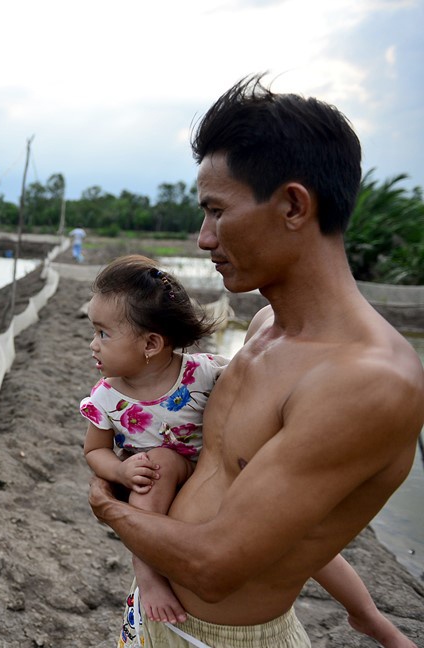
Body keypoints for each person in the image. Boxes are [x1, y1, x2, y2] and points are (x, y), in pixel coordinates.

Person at [88, 72, 424, 647]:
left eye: (217, 212)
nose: (204, 238)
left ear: (294, 205)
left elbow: (216, 569)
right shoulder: (266, 328)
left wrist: (107, 504)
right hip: (154, 613)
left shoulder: (368, 380)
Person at [80, 254, 412, 646]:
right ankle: (149, 579)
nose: (92, 344)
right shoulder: (105, 398)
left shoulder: (205, 373)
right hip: (157, 478)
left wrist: (109, 505)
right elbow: (94, 451)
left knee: (312, 548)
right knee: (156, 468)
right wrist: (118, 473)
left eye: (103, 333)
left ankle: (367, 614)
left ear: (152, 343)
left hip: (209, 470)